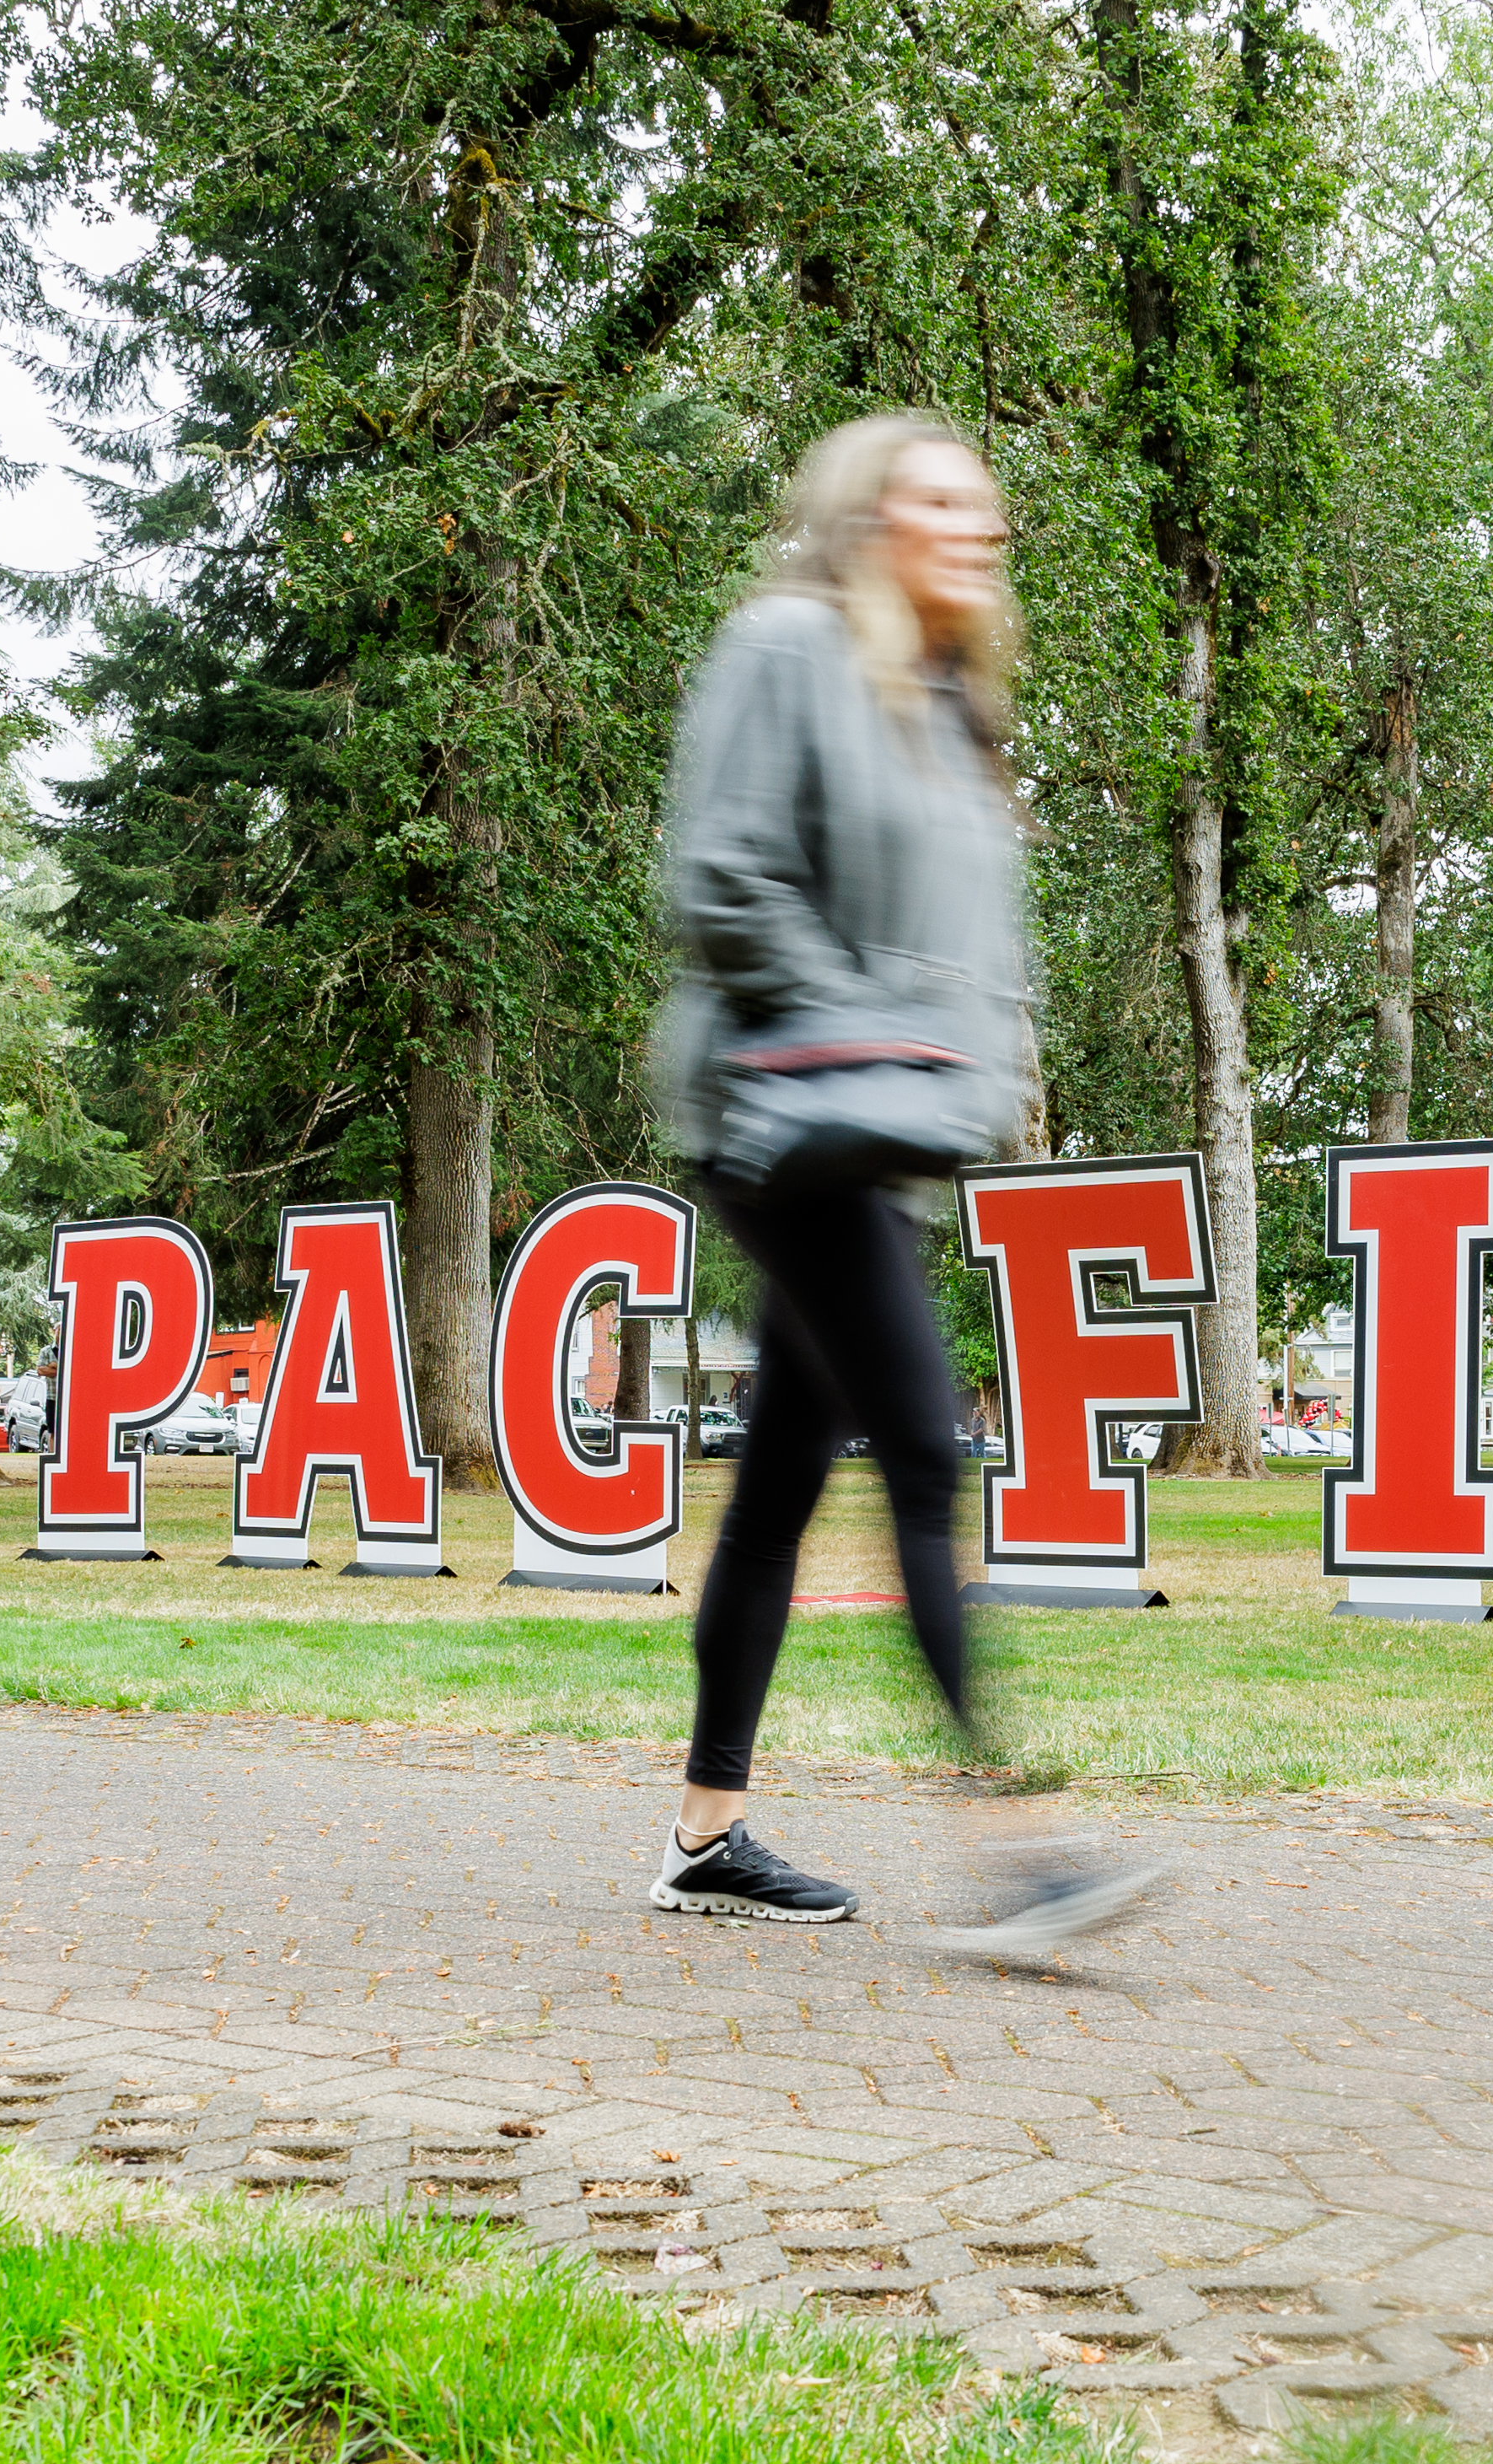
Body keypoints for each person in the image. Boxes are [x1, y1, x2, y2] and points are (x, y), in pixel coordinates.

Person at [640, 415, 1160, 1958]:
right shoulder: (785, 647)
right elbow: (719, 873)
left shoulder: (949, 709)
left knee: (782, 1483)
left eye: (983, 505)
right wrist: (847, 1027)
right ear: (866, 519)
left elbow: (968, 965)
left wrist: (961, 1079)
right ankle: (1028, 1856)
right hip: (776, 1117)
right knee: (925, 1453)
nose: (973, 525)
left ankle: (703, 1835)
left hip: (874, 1146)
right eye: (938, 499)